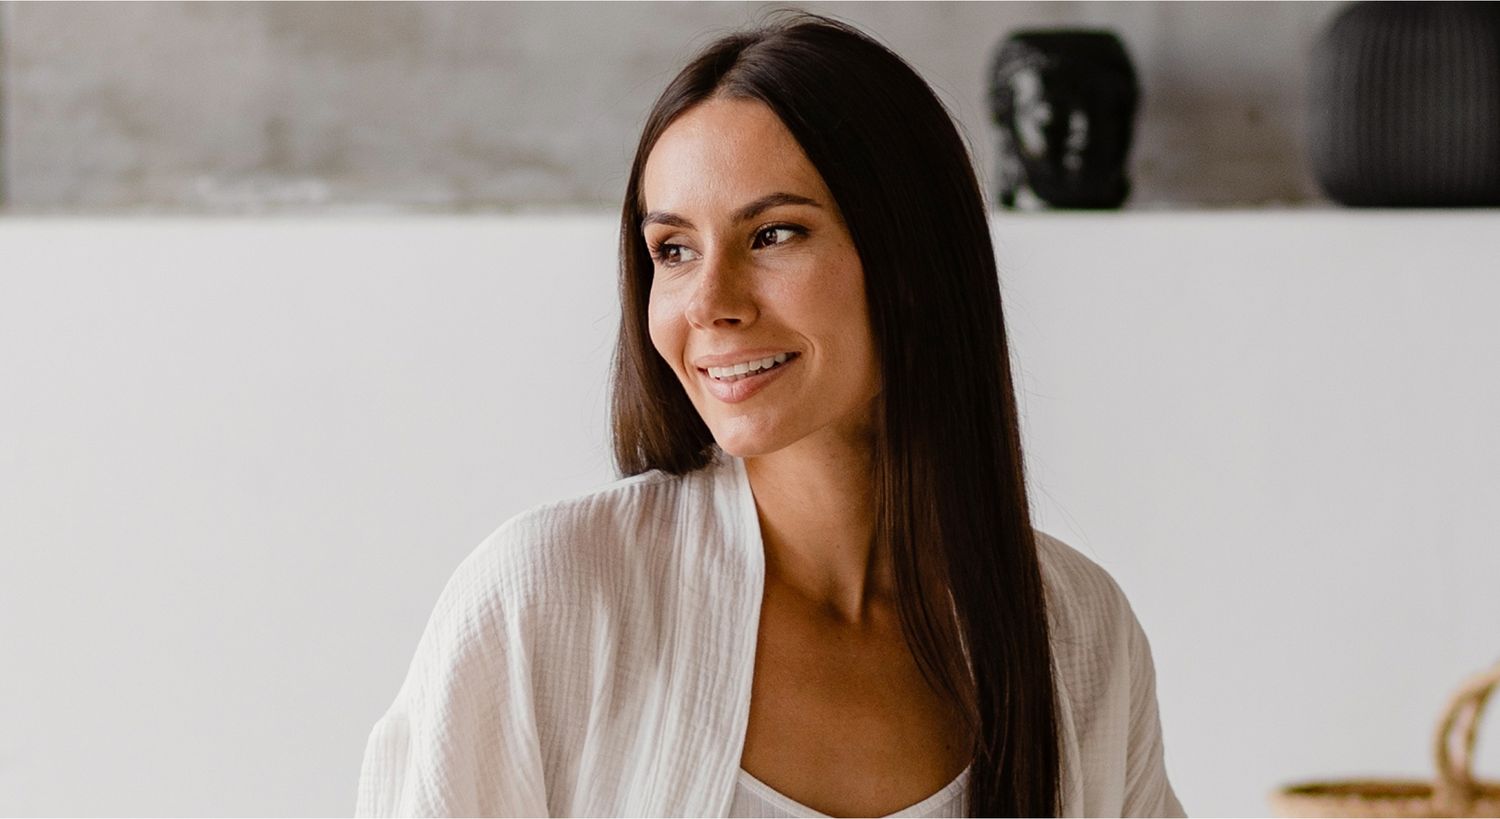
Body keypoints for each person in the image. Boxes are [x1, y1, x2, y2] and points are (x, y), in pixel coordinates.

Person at [356, 11, 1185, 818]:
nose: (709, 303)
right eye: (673, 250)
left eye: (774, 234)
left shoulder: (1078, 635)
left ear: (912, 260)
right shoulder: (547, 601)